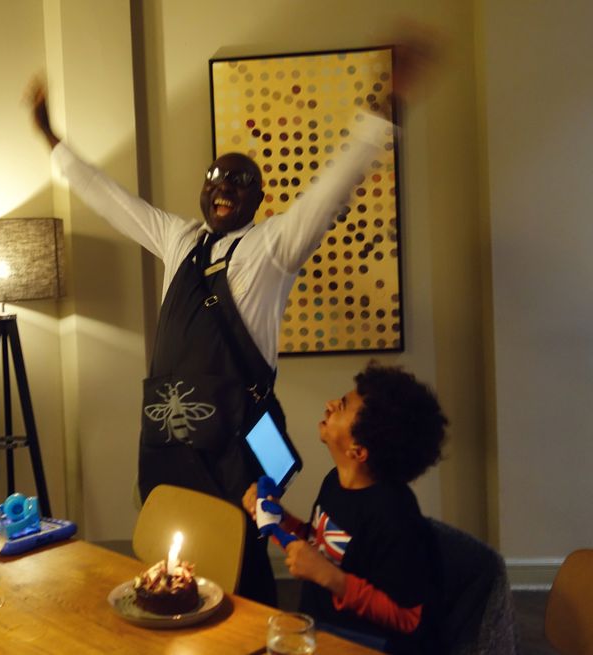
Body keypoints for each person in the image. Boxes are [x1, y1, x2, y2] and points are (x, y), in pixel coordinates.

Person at [25, 37, 431, 603]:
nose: (223, 185)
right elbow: (111, 198)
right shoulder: (178, 239)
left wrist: (385, 114)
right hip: (166, 438)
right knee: (169, 564)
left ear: (259, 199)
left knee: (239, 566)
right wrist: (51, 139)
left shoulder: (272, 247)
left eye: (239, 180)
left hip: (234, 442)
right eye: (215, 175)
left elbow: (331, 189)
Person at [243, 363, 446, 653]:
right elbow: (322, 545)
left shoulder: (394, 516)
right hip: (318, 626)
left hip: (362, 643)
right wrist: (279, 519)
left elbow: (408, 618)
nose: (329, 404)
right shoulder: (334, 481)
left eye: (341, 406)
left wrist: (330, 577)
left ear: (358, 451)